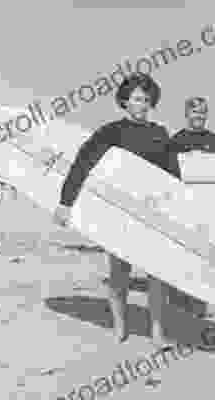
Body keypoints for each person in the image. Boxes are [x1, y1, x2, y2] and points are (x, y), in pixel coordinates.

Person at [52, 73, 181, 347]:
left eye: (146, 99)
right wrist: (65, 202)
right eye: (136, 99)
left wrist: (176, 210)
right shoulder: (111, 131)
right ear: (124, 101)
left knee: (157, 274)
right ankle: (120, 326)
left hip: (152, 212)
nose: (142, 104)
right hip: (119, 212)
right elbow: (82, 164)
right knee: (119, 273)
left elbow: (173, 178)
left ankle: (157, 331)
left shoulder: (160, 134)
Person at [167, 96, 215, 318]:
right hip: (184, 207)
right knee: (183, 255)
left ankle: (200, 304)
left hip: (209, 206)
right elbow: (170, 176)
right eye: (194, 112)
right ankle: (181, 301)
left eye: (202, 112)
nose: (198, 116)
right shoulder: (176, 140)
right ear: (187, 114)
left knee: (205, 257)